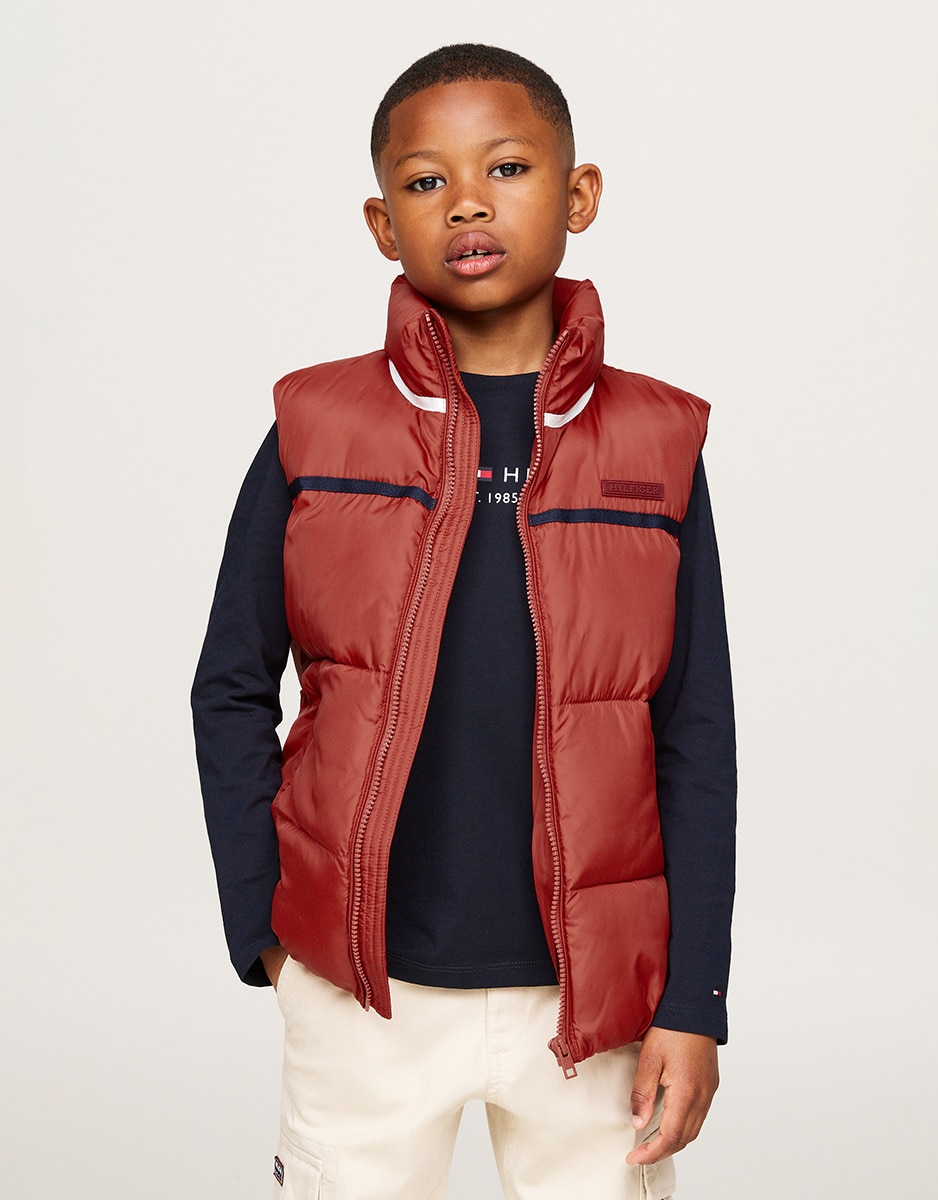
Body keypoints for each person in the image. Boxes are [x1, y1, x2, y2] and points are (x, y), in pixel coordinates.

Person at [192, 43, 736, 1200]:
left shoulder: (656, 444)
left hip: (594, 1005)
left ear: (578, 195)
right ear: (383, 224)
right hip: (362, 993)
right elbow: (230, 685)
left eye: (507, 167)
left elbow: (695, 737)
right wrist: (265, 931)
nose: (468, 202)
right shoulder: (315, 426)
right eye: (426, 181)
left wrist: (693, 1000)